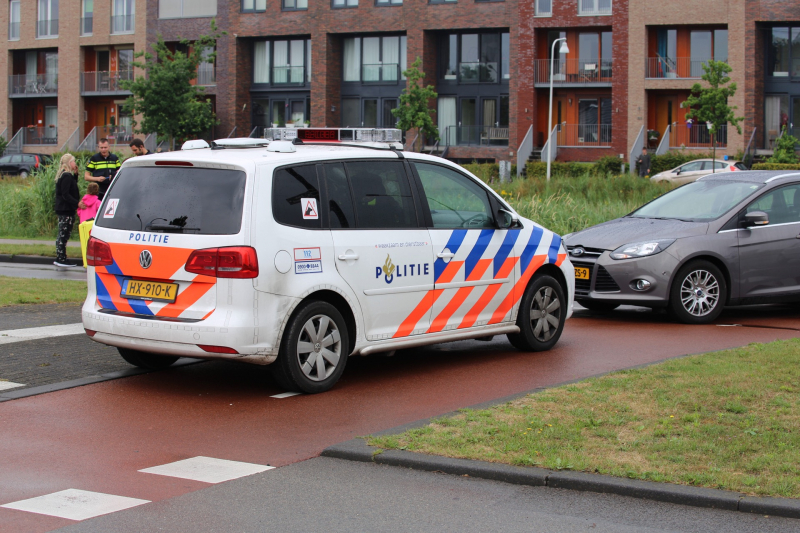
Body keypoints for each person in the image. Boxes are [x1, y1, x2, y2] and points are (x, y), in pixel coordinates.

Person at [53, 154, 81, 268]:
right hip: (65, 209)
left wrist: (76, 175)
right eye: (74, 162)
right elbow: (65, 194)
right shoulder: (66, 176)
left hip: (65, 209)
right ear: (69, 163)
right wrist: (76, 203)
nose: (75, 164)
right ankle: (61, 258)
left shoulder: (68, 176)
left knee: (63, 233)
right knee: (63, 233)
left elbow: (71, 187)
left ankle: (61, 256)